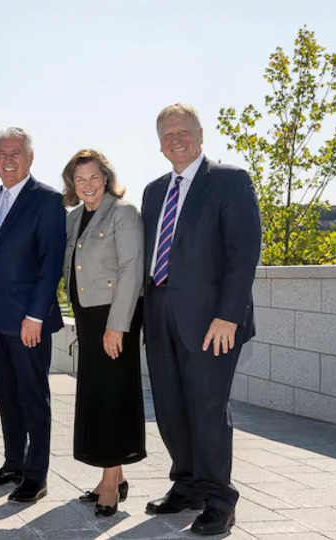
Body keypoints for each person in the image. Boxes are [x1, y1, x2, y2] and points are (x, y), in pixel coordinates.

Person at [141, 104, 261, 535]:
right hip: (159, 314)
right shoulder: (154, 191)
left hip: (213, 322)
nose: (176, 139)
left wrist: (228, 315)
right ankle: (187, 484)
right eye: (167, 133)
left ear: (200, 133)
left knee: (207, 408)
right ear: (159, 143)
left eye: (183, 131)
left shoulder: (229, 181)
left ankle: (219, 498)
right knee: (171, 407)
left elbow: (243, 253)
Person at [0, 127, 66, 503]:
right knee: (5, 396)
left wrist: (36, 315)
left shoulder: (47, 199)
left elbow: (51, 262)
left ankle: (35, 475)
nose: (8, 159)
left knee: (33, 397)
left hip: (29, 320)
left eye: (16, 153)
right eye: (2, 153)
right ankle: (13, 463)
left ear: (30, 158)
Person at [61, 149, 146, 517]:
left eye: (94, 177)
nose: (88, 185)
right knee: (98, 395)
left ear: (107, 178)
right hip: (87, 315)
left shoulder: (124, 212)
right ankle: (114, 476)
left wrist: (117, 325)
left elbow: (131, 269)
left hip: (115, 316)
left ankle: (111, 482)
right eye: (80, 179)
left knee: (115, 396)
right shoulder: (75, 216)